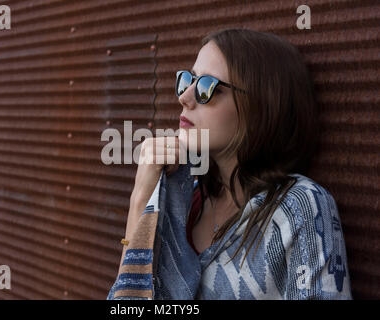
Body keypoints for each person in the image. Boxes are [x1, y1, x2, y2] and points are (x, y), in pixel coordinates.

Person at [107, 28, 352, 299]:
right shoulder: (185, 202)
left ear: (259, 105)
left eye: (206, 88)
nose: (184, 98)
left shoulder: (299, 208)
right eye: (187, 80)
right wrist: (141, 200)